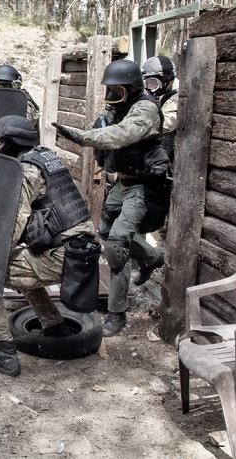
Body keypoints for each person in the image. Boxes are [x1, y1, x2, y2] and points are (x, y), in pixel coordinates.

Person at [0, 115, 95, 377]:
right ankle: (54, 325)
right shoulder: (45, 157)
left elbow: (14, 223)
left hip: (61, 254)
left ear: (13, 142)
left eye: (0, 141)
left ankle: (3, 353)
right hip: (79, 249)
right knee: (26, 265)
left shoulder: (26, 172)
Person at [52, 59, 169, 336]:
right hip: (123, 181)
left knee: (117, 245)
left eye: (116, 91)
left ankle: (117, 315)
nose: (111, 97)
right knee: (104, 230)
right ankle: (152, 256)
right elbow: (107, 126)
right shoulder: (119, 107)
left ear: (130, 88)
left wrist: (84, 137)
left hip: (143, 185)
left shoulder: (146, 109)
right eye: (110, 91)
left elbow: (121, 135)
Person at [142, 56, 178, 163]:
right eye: (147, 83)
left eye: (153, 82)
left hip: (173, 161)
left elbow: (166, 123)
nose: (149, 87)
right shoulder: (159, 93)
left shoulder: (178, 97)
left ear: (167, 81)